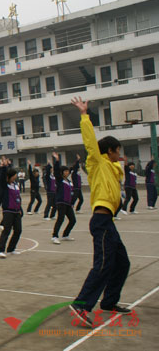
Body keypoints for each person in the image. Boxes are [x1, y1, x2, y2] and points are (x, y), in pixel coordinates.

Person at [69, 96, 131, 328]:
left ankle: (109, 302)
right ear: (110, 151)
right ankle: (81, 305)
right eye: (118, 151)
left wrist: (118, 166)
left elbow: (119, 174)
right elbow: (90, 143)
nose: (120, 155)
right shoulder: (97, 162)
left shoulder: (114, 169)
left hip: (109, 221)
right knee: (103, 264)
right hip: (101, 220)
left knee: (122, 263)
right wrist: (84, 115)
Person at [0, 157, 22, 258]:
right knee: (6, 230)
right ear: (10, 176)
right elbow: (2, 178)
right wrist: (4, 167)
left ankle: (11, 249)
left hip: (16, 211)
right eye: (14, 175)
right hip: (8, 211)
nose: (16, 177)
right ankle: (0, 250)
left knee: (18, 230)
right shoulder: (5, 186)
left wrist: (20, 209)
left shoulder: (15, 185)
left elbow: (18, 198)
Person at [50, 152, 76, 245]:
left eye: (67, 171)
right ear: (62, 172)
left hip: (68, 204)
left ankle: (65, 235)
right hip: (61, 202)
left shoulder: (68, 181)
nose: (67, 172)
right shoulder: (60, 180)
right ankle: (54, 236)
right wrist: (57, 160)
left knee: (73, 220)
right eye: (65, 171)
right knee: (60, 219)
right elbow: (56, 171)